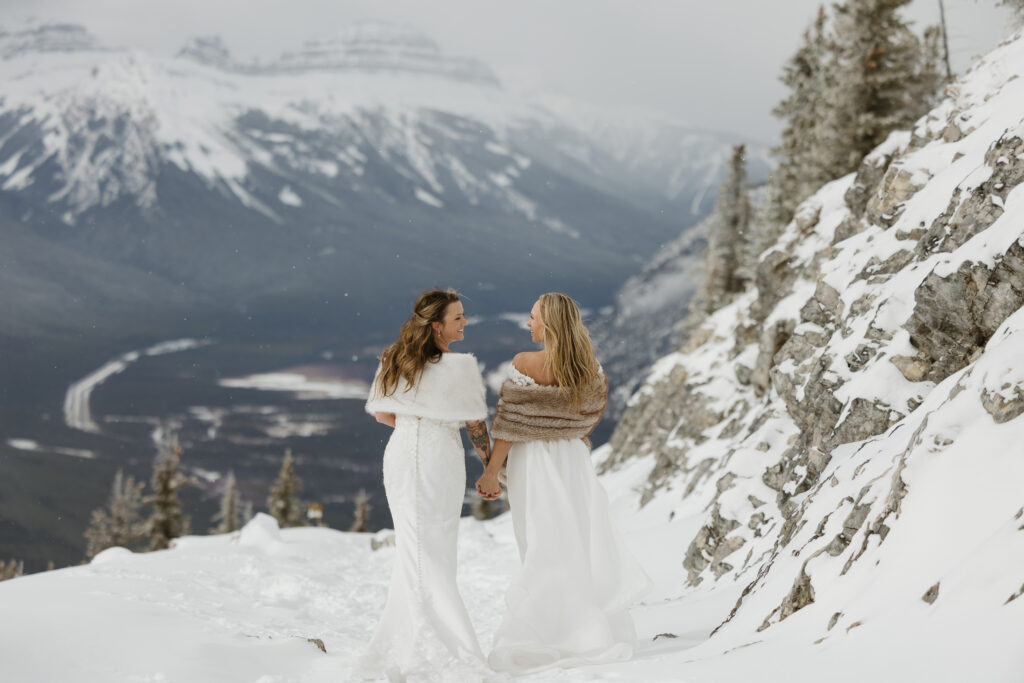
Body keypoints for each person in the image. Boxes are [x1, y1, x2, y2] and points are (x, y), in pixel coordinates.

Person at [475, 292, 650, 675]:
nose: (529, 323)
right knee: (574, 539)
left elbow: (509, 424)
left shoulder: (524, 363)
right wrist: (560, 427)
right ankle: (585, 627)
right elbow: (587, 419)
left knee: (538, 540)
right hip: (572, 459)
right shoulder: (591, 368)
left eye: (534, 317)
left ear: (550, 323)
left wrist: (491, 472)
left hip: (533, 462)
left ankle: (547, 630)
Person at [359, 288, 494, 682]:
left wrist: (417, 423)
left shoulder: (393, 359)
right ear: (437, 326)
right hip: (439, 457)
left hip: (402, 453)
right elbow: (474, 424)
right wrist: (490, 470)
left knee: (414, 547)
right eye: (458, 317)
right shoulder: (461, 367)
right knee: (433, 547)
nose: (465, 322)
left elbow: (384, 414)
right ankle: (439, 647)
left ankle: (410, 640)